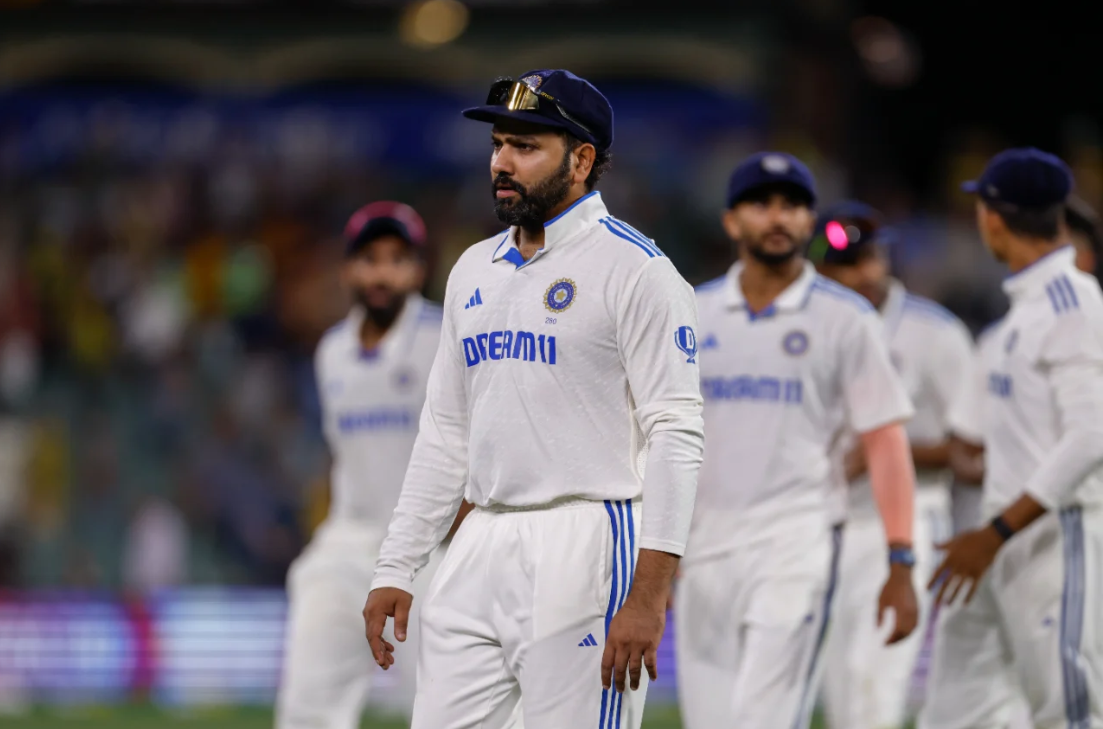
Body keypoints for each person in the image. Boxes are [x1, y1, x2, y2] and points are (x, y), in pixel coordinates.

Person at [361, 69, 703, 729]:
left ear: (581, 160)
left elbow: (676, 433)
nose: (500, 163)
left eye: (524, 147)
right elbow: (444, 434)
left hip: (588, 538)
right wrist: (397, 564)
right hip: (478, 540)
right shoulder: (470, 269)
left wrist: (650, 594)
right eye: (498, 145)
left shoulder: (638, 271)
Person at [677, 153, 919, 729]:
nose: (777, 217)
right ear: (731, 221)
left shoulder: (847, 318)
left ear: (810, 222)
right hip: (703, 551)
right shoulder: (690, 311)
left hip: (798, 544)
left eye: (792, 205)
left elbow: (885, 441)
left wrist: (901, 558)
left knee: (764, 719)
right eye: (761, 204)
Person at [920, 148, 1103, 729]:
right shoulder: (1022, 311)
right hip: (997, 539)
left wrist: (996, 532)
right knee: (954, 711)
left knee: (1068, 712)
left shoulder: (1072, 304)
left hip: (1053, 537)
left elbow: (1092, 436)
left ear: (992, 217)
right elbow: (972, 440)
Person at [276, 202, 453, 729]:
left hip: (429, 550)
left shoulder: (448, 338)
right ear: (348, 269)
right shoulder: (331, 351)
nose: (382, 273)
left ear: (419, 271)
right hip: (349, 541)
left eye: (397, 259)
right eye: (369, 259)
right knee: (307, 703)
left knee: (442, 708)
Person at [810, 201, 974, 729]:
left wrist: (883, 449)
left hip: (901, 524)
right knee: (838, 692)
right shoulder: (813, 327)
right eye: (841, 263)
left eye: (865, 259)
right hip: (822, 523)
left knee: (873, 689)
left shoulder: (936, 333)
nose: (857, 274)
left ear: (884, 259)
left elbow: (972, 450)